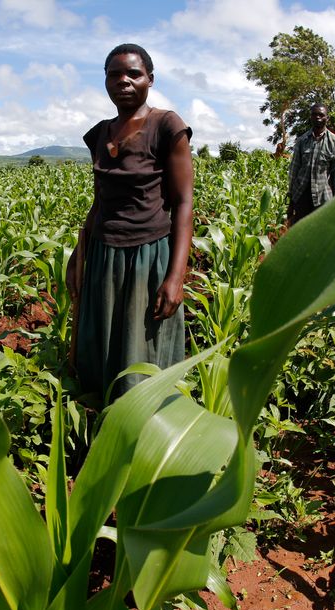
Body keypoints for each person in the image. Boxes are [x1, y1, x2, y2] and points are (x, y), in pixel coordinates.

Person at [66, 43, 194, 403]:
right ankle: (100, 422)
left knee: (141, 353)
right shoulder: (100, 133)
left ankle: (144, 425)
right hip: (104, 255)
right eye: (114, 74)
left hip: (147, 257)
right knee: (102, 345)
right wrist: (79, 255)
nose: (123, 80)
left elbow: (184, 204)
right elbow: (99, 203)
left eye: (133, 74)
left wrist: (175, 277)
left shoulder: (167, 126)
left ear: (149, 80)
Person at [286, 103, 335, 225]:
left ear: (327, 118)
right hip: (300, 196)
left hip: (322, 199)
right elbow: (294, 170)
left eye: (321, 115)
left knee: (319, 233)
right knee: (299, 233)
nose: (318, 117)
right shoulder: (301, 141)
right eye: (314, 114)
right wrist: (291, 202)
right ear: (310, 117)